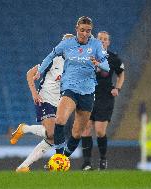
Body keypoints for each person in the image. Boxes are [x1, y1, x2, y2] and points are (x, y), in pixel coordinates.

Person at [33, 16, 109, 162]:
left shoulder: (96, 45)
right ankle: (58, 157)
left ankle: (62, 159)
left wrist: (98, 62)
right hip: (70, 89)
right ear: (76, 29)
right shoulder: (67, 44)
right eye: (82, 30)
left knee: (77, 133)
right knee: (60, 120)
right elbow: (50, 56)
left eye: (88, 31)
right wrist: (40, 71)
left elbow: (106, 67)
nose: (85, 33)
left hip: (87, 92)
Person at [10, 34, 75, 172]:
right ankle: (25, 130)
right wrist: (34, 93)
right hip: (45, 99)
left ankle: (22, 167)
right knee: (52, 133)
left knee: (51, 138)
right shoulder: (53, 60)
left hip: (60, 104)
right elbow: (29, 73)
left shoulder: (74, 65)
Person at [81, 31, 125, 170]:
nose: (103, 41)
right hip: (88, 96)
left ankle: (103, 159)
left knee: (100, 131)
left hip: (105, 98)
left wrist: (117, 88)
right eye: (100, 39)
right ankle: (87, 163)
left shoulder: (114, 58)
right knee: (86, 129)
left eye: (105, 39)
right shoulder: (88, 55)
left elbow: (121, 74)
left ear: (109, 42)